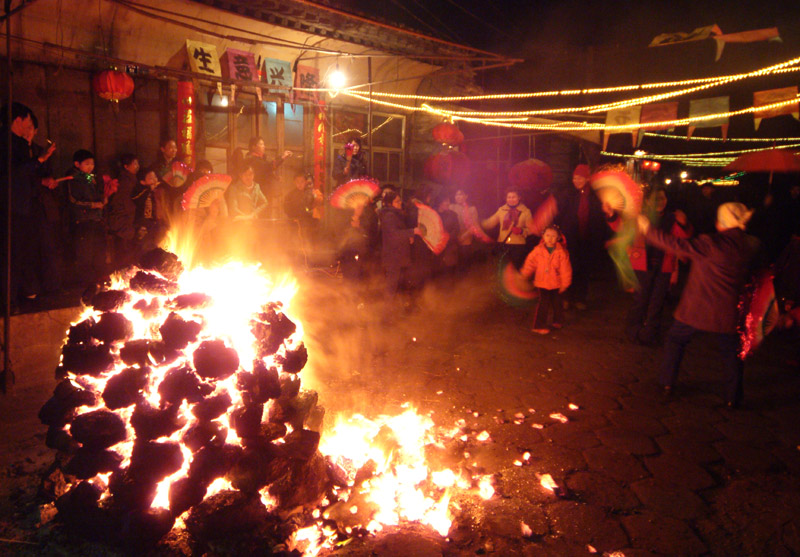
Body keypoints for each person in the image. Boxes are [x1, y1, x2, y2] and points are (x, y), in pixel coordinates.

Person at [637, 202, 761, 408]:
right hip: (728, 311)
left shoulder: (711, 243)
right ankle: (733, 397)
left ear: (722, 222)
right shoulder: (751, 245)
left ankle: (667, 385)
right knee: (732, 352)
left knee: (676, 340)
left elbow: (676, 245)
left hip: (697, 308)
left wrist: (648, 230)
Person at [605, 188, 692, 344]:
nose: (660, 201)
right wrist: (611, 215)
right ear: (647, 201)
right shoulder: (639, 216)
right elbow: (621, 228)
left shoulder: (672, 218)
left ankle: (650, 333)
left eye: (663, 197)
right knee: (641, 299)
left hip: (663, 266)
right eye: (656, 198)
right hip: (642, 265)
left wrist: (683, 223)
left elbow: (684, 236)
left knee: (657, 302)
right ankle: (633, 330)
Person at [0, 102, 57, 307]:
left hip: (21, 208)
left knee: (20, 254)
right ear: (18, 120)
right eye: (29, 122)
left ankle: (14, 298)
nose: (30, 127)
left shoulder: (19, 144)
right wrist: (39, 160)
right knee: (11, 255)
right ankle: (8, 302)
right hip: (11, 207)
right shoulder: (9, 142)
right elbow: (13, 173)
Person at [553, 164, 606, 310]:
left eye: (580, 178)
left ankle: (579, 298)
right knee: (568, 268)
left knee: (583, 269)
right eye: (575, 178)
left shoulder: (594, 196)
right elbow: (559, 213)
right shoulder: (568, 194)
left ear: (587, 178)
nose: (576, 181)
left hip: (587, 239)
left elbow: (598, 217)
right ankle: (566, 297)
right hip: (569, 238)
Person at [521, 224, 572, 334]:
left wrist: (565, 283)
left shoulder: (561, 252)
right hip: (542, 283)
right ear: (543, 236)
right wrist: (525, 273)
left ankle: (558, 321)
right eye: (547, 235)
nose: (550, 238)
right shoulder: (538, 250)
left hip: (556, 283)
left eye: (553, 236)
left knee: (557, 303)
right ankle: (538, 326)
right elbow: (530, 262)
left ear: (558, 238)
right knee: (543, 304)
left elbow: (565, 269)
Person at [66, 149, 106, 284]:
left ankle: (99, 281)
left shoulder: (90, 178)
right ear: (77, 164)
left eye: (92, 164)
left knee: (99, 252)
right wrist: (92, 205)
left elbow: (97, 194)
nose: (90, 167)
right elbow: (72, 200)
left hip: (95, 220)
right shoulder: (72, 178)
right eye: (87, 164)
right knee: (85, 255)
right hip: (82, 221)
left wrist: (104, 198)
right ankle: (86, 284)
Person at [379, 190, 421, 307]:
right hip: (393, 258)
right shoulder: (389, 216)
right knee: (391, 288)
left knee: (394, 287)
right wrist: (412, 232)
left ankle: (392, 312)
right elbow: (393, 235)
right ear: (389, 203)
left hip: (397, 257)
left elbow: (397, 233)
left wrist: (409, 237)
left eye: (400, 201)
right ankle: (386, 316)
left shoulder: (396, 215)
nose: (400, 203)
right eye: (396, 201)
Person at [481, 188, 532, 269]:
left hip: (518, 246)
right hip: (503, 244)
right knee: (502, 269)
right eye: (509, 197)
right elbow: (490, 223)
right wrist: (478, 222)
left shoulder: (525, 211)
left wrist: (521, 231)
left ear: (519, 197)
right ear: (506, 198)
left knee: (515, 269)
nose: (511, 199)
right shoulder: (501, 210)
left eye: (514, 197)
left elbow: (531, 230)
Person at [107, 153, 139, 268]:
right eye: (134, 164)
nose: (137, 166)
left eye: (137, 163)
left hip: (126, 219)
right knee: (123, 248)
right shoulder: (125, 181)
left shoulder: (130, 179)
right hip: (123, 219)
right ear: (126, 166)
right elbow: (121, 201)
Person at [131, 169, 167, 255]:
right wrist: (149, 190)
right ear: (143, 182)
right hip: (144, 224)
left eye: (155, 177)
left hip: (157, 223)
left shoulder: (160, 191)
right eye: (151, 178)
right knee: (144, 246)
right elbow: (135, 198)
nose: (154, 179)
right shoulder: (141, 191)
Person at [450, 188, 482, 270]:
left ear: (466, 196)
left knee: (464, 265)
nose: (458, 197)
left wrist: (464, 236)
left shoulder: (472, 209)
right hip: (453, 240)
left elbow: (475, 225)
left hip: (466, 240)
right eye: (456, 194)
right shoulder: (451, 207)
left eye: (460, 194)